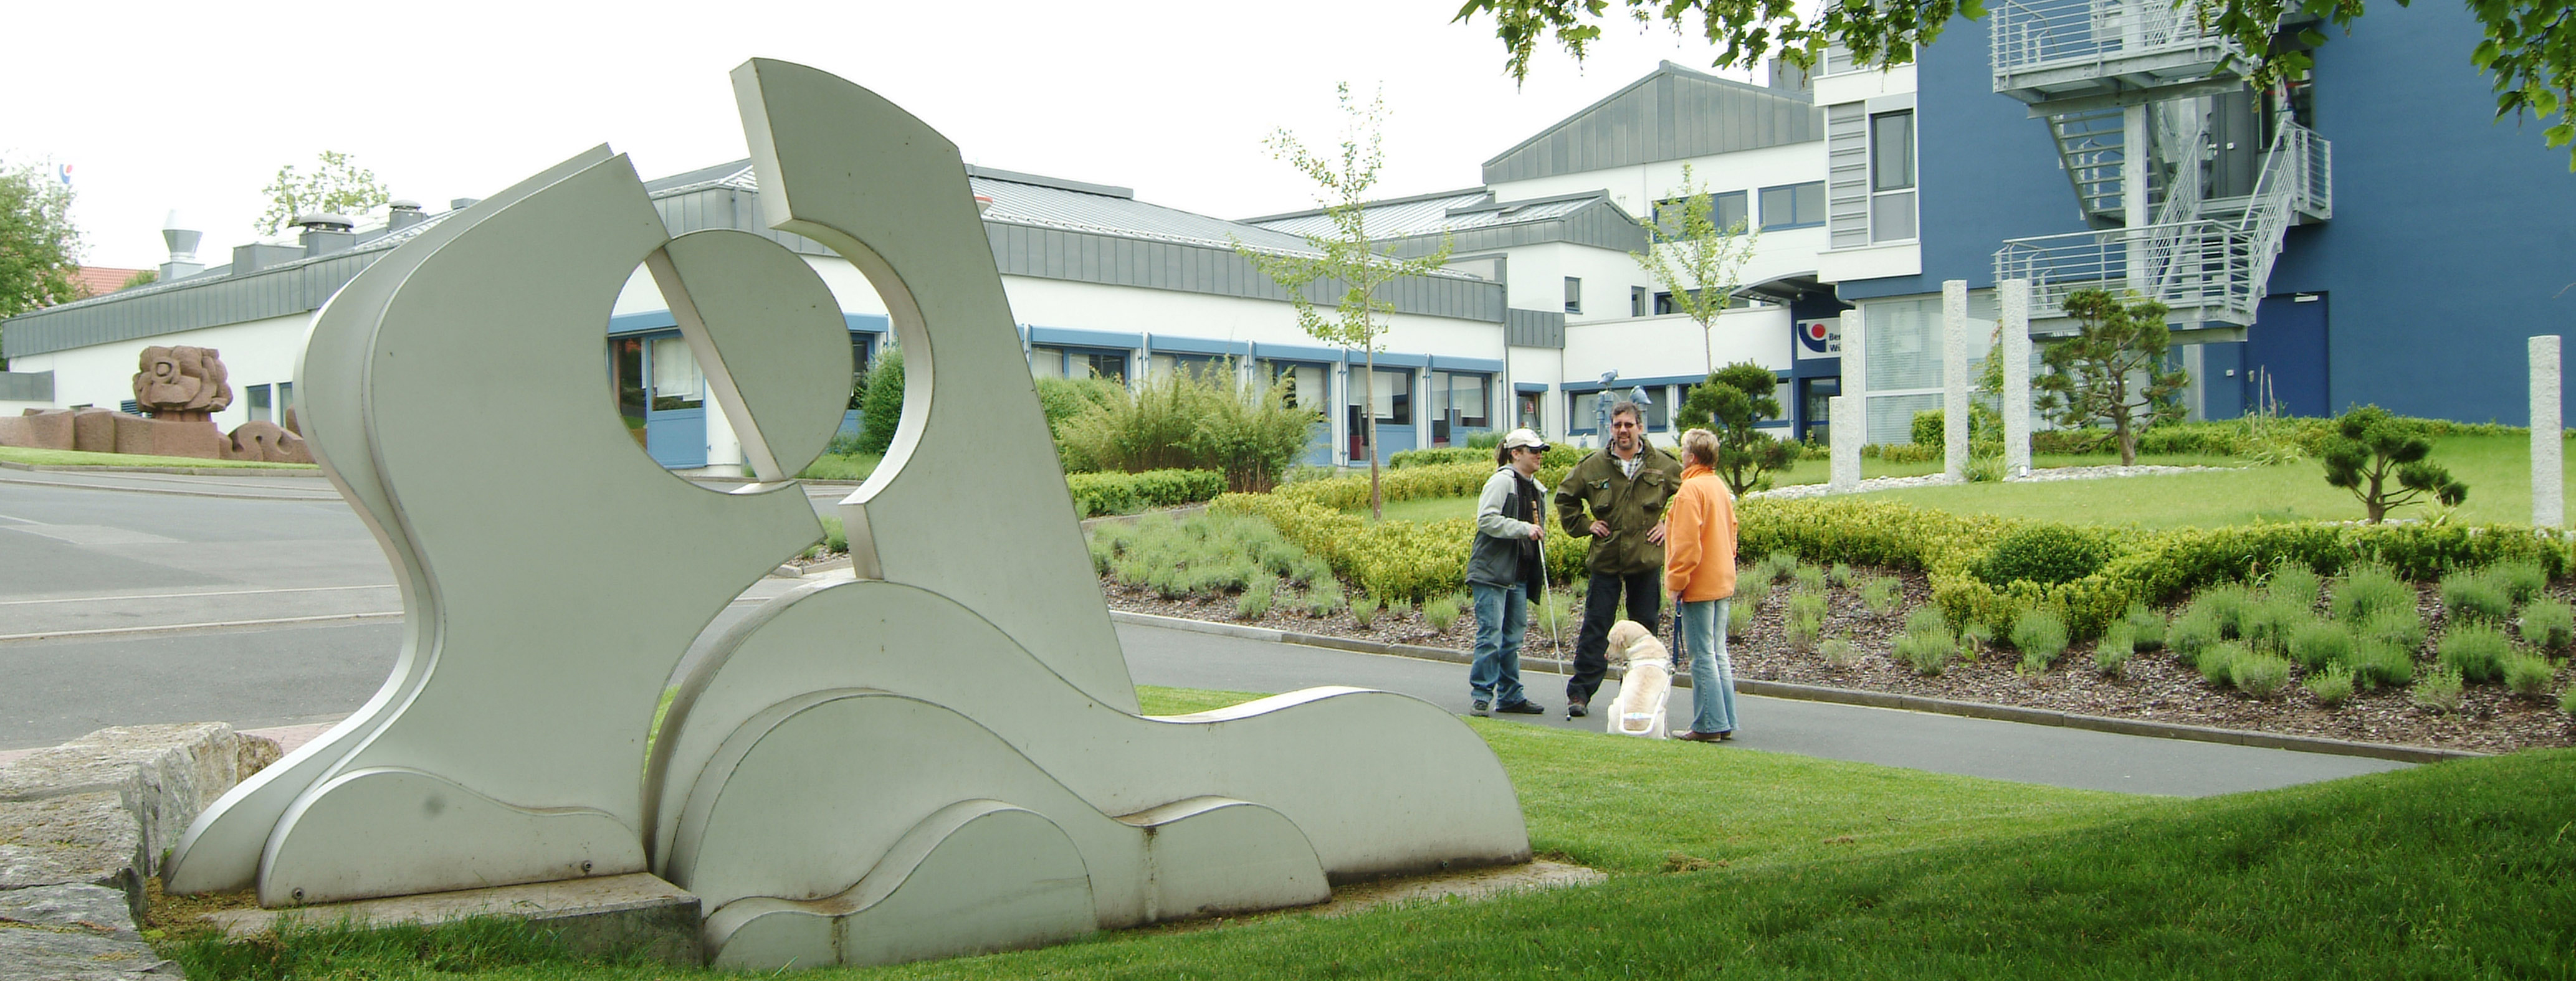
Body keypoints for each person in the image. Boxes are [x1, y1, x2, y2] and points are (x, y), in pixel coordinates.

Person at [1552, 401, 1684, 718]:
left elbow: (1690, 496)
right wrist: (1586, 526)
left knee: (1645, 631)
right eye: (1617, 425)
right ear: (1610, 428)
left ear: (1640, 427)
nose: (1622, 431)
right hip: (1607, 558)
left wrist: (1669, 524)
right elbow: (1565, 498)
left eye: (1628, 425)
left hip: (1645, 559)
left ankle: (1639, 695)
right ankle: (1581, 693)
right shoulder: (1594, 465)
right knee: (1596, 627)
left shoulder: (1662, 465)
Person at [1467, 428, 1551, 716]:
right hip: (1493, 572)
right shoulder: (1502, 481)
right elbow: (1486, 519)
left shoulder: (1537, 488)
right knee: (1491, 634)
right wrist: (1523, 529)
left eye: (1540, 450)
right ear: (1516, 453)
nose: (1539, 455)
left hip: (1520, 573)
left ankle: (1511, 695)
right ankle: (1481, 694)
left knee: (1513, 638)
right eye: (1533, 450)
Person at [1665, 427, 1740, 742]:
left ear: (1691, 456)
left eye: (1683, 451)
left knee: (1702, 655)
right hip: (1722, 579)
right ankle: (1725, 720)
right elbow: (1732, 532)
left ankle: (1708, 724)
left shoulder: (1690, 492)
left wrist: (1676, 582)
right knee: (1718, 652)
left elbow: (1686, 545)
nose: (1680, 456)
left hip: (1699, 583)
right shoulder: (1718, 487)